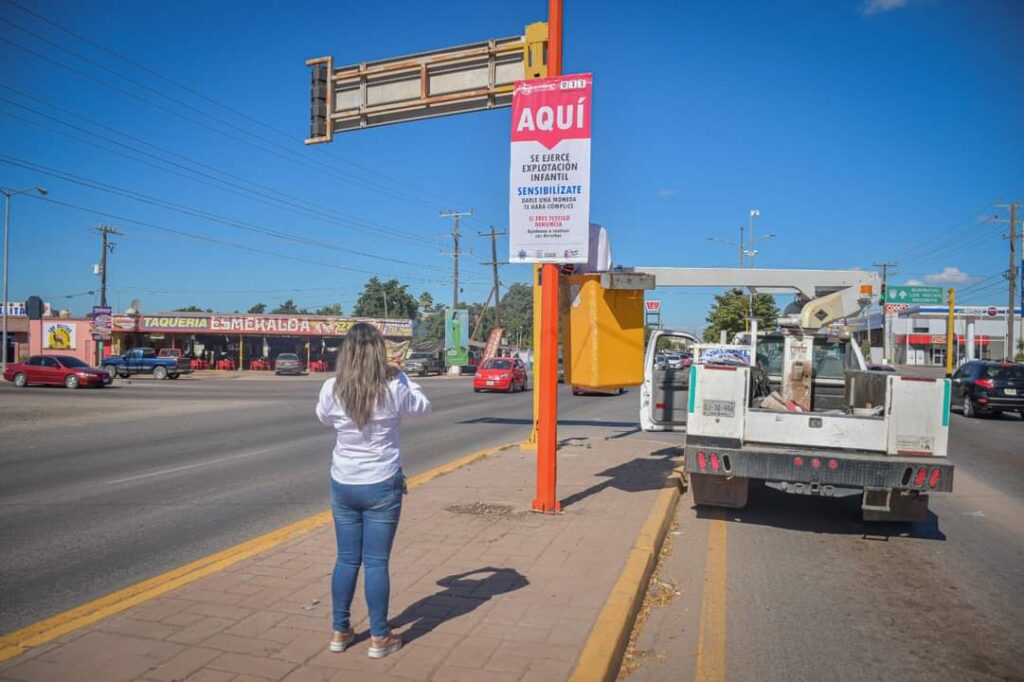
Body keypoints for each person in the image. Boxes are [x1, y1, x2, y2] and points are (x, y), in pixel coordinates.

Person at [315, 322, 431, 659]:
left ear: (346, 354)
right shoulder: (394, 386)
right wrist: (404, 375)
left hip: (344, 483)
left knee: (347, 559)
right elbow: (424, 409)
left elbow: (323, 417)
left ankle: (340, 630)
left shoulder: (331, 387)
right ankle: (379, 637)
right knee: (376, 563)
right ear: (379, 354)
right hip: (382, 482)